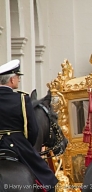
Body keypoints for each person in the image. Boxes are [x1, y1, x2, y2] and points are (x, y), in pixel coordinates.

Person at [0, 59, 58, 192]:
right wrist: (28, 144)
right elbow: (32, 129)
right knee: (48, 179)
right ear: (12, 80)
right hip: (16, 143)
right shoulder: (21, 99)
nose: (19, 80)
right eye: (17, 77)